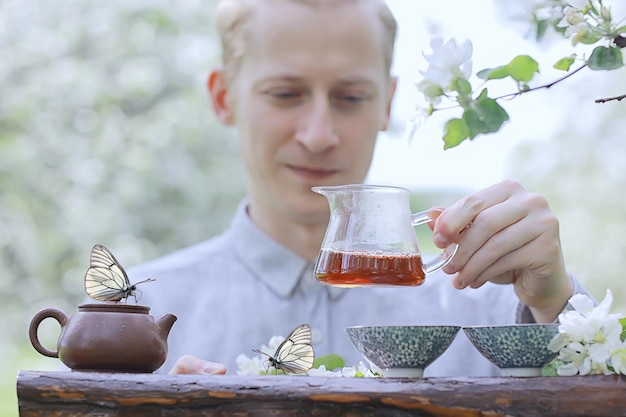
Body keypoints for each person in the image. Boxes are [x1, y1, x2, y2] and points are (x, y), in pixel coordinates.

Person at [130, 0, 588, 376]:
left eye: (349, 97)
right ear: (223, 98)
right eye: (285, 94)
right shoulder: (142, 314)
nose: (317, 135)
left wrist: (556, 305)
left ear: (387, 104)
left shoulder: (494, 309)